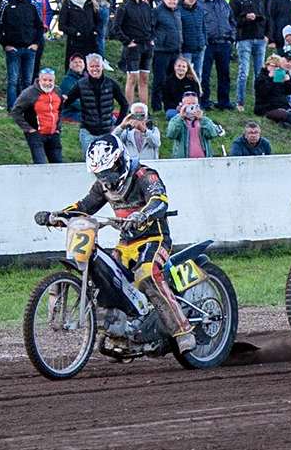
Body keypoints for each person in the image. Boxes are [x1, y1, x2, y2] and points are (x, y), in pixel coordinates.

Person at [35, 138, 192, 347]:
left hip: (154, 238)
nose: (106, 179)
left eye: (108, 171)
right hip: (125, 244)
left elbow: (159, 200)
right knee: (107, 281)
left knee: (146, 276)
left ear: (120, 161)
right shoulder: (103, 186)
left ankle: (182, 332)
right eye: (100, 174)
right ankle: (123, 332)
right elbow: (85, 206)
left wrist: (142, 215)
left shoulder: (145, 174)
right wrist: (57, 216)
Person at [64, 53, 128, 151]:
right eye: (92, 66)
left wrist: (117, 124)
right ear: (88, 68)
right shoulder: (80, 85)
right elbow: (66, 103)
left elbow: (124, 104)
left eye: (97, 66)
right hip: (87, 133)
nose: (95, 69)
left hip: (107, 132)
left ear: (102, 66)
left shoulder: (111, 84)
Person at [12, 67, 65, 163]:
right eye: (44, 80)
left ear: (54, 80)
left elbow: (60, 110)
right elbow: (15, 112)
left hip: (53, 134)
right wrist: (28, 129)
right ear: (39, 80)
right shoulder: (29, 93)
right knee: (40, 165)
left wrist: (58, 128)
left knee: (58, 165)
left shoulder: (58, 91)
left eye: (50, 80)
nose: (47, 83)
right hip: (36, 134)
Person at [164, 93, 222, 158]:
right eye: (188, 104)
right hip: (183, 161)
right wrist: (180, 118)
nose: (191, 107)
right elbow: (170, 135)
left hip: (204, 160)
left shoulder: (204, 119)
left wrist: (203, 120)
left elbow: (212, 134)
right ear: (182, 105)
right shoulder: (176, 120)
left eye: (194, 104)